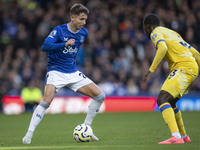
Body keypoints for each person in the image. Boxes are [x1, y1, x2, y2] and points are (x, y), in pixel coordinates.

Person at [22, 3, 106, 144]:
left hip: (72, 72)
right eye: (81, 19)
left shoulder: (83, 33)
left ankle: (86, 128)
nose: (83, 23)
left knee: (100, 95)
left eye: (85, 19)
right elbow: (45, 46)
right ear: (72, 17)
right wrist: (63, 44)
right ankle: (28, 135)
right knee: (46, 101)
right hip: (56, 70)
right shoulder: (59, 31)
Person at [142, 14, 200, 144]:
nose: (145, 31)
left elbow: (163, 48)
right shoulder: (171, 32)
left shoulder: (155, 32)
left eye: (144, 28)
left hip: (183, 67)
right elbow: (195, 53)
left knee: (162, 99)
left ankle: (176, 137)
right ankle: (184, 136)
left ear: (147, 26)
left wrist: (151, 71)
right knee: (171, 102)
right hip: (190, 67)